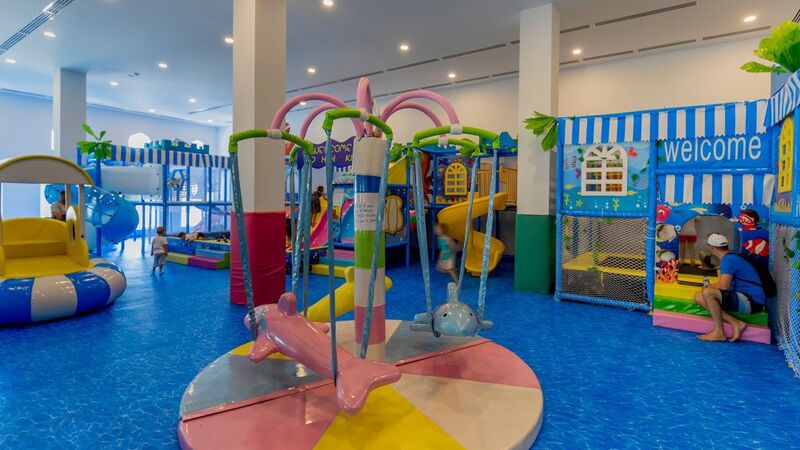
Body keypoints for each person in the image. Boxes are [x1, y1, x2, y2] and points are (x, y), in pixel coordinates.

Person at [693, 234, 765, 342]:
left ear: (711, 247)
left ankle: (719, 332)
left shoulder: (728, 260)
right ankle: (735, 322)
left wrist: (707, 286)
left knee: (708, 292)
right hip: (747, 297)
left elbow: (724, 286)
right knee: (699, 297)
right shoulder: (731, 256)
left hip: (753, 301)